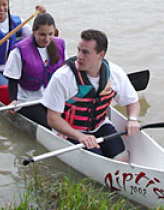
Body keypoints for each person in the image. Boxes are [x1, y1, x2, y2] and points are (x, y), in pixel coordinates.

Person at [41, 29, 141, 162]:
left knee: (122, 159)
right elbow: (53, 119)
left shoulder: (115, 73)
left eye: (86, 52)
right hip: (70, 131)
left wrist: (133, 119)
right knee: (97, 158)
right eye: (79, 50)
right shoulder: (62, 77)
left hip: (100, 125)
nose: (79, 56)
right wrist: (80, 136)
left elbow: (133, 102)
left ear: (101, 54)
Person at [3, 13, 66, 128]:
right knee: (51, 125)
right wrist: (13, 100)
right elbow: (13, 80)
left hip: (51, 97)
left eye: (50, 34)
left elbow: (65, 73)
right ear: (33, 31)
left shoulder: (60, 45)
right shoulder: (19, 51)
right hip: (28, 100)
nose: (47, 39)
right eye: (42, 35)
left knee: (70, 118)